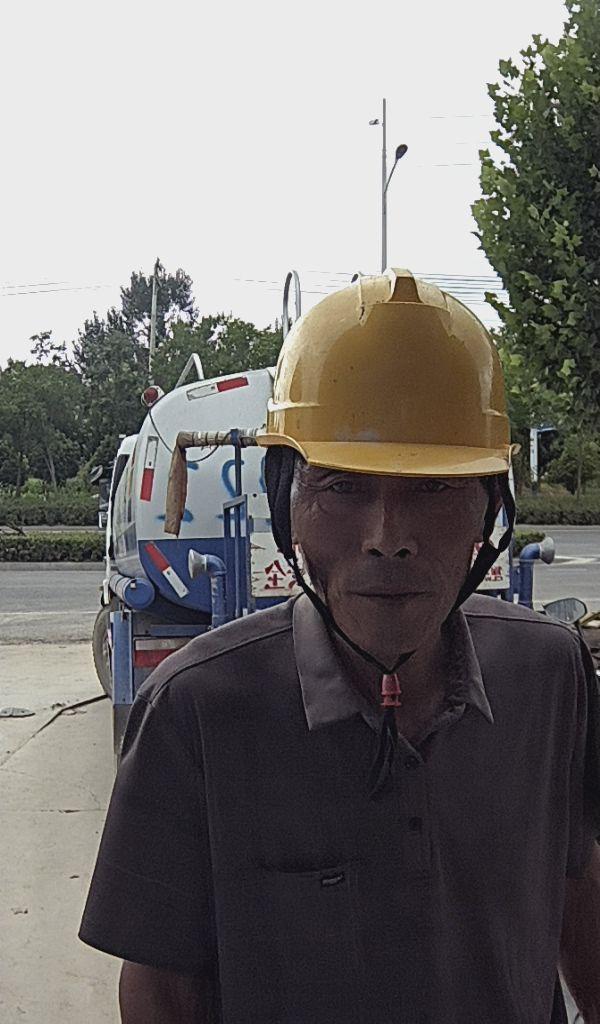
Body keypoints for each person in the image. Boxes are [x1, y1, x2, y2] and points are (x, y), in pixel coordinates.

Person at [80, 270, 600, 1023]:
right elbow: (160, 991)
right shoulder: (197, 710)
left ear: (490, 512)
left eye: (433, 489)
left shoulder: (550, 675)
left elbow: (579, 892)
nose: (388, 538)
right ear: (286, 503)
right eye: (342, 487)